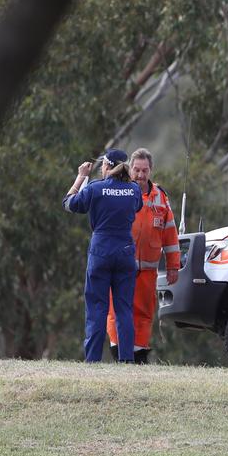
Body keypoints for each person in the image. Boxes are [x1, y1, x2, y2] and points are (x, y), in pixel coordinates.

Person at [62, 149, 141, 363]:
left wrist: (81, 177)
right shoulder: (134, 190)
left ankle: (93, 360)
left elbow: (69, 204)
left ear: (106, 166)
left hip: (101, 251)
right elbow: (138, 207)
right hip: (125, 251)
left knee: (97, 307)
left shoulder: (96, 188)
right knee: (124, 308)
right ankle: (126, 360)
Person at [107, 148, 181, 364]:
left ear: (151, 170)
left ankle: (139, 355)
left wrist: (173, 266)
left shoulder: (161, 197)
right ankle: (118, 352)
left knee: (144, 312)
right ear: (130, 169)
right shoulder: (120, 191)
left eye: (144, 170)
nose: (140, 175)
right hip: (121, 265)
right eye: (137, 170)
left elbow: (170, 233)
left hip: (147, 269)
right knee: (116, 310)